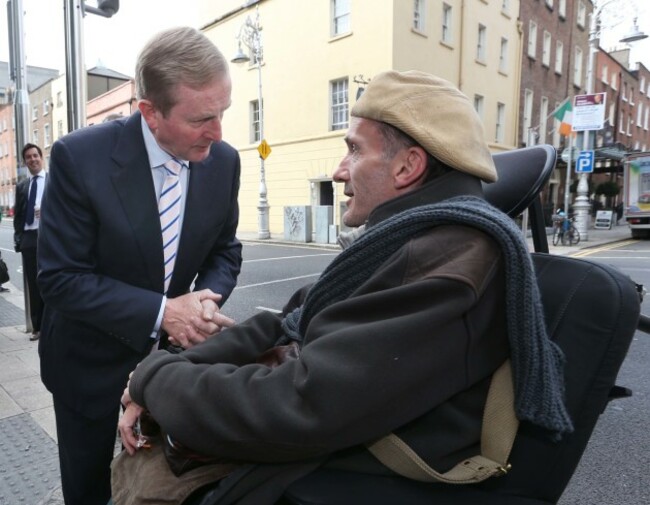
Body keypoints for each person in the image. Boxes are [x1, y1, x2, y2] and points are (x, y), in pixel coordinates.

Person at [117, 71, 572, 504]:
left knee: (148, 479)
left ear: (408, 167)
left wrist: (157, 382)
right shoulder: (410, 239)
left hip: (352, 470)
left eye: (354, 150)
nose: (339, 171)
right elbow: (292, 318)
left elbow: (298, 406)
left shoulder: (447, 262)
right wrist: (163, 371)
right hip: (334, 439)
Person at [37, 27, 243, 505]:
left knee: (162, 488)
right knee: (89, 490)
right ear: (150, 113)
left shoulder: (223, 162)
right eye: (202, 119)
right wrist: (162, 311)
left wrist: (203, 305)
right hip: (87, 368)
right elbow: (61, 278)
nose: (218, 132)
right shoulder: (79, 156)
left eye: (223, 113)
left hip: (170, 366)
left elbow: (225, 250)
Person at [13, 143, 46, 340]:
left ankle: (52, 326)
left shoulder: (53, 180)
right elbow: (18, 215)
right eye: (28, 157)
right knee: (33, 285)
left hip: (49, 236)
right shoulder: (22, 186)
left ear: (41, 157)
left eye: (35, 155)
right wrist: (18, 239)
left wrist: (47, 212)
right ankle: (37, 327)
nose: (32, 159)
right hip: (29, 238)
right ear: (25, 162)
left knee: (51, 281)